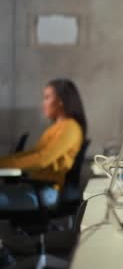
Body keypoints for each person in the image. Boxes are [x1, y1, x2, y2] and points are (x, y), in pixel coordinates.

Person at [0, 79, 86, 209]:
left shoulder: (70, 128)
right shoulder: (57, 127)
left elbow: (42, 159)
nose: (43, 104)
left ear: (61, 101)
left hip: (45, 192)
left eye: (47, 98)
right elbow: (35, 153)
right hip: (38, 188)